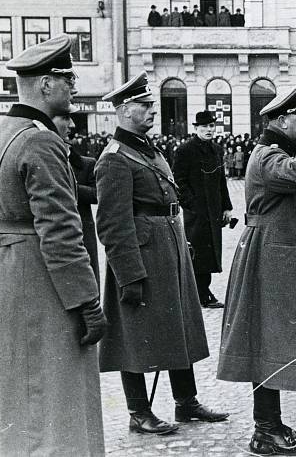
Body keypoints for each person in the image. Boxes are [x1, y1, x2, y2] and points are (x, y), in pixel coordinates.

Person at [96, 72, 228, 435]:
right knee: (134, 333)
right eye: (144, 105)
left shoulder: (147, 150)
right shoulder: (115, 158)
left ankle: (186, 402)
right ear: (124, 111)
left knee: (178, 325)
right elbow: (112, 223)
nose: (152, 110)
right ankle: (139, 411)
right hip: (142, 255)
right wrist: (129, 275)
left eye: (151, 103)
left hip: (168, 246)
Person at [0, 34, 106, 455]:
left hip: (6, 271)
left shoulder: (2, 132)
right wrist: (88, 304)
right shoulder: (41, 140)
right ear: (45, 85)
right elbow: (60, 232)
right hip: (40, 280)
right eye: (67, 78)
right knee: (55, 397)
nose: (74, 86)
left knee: (18, 394)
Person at [218, 83, 296, 455]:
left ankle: (269, 424)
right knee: (265, 344)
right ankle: (265, 430)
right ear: (283, 119)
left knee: (267, 343)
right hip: (267, 261)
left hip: (274, 259)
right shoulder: (267, 157)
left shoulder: (274, 152)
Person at [172, 110, 233, 308]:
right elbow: (178, 181)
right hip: (196, 214)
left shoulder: (216, 150)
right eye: (204, 127)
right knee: (197, 252)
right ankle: (200, 293)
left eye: (211, 126)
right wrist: (191, 205)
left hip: (213, 211)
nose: (209, 130)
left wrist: (226, 207)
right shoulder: (185, 150)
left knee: (210, 252)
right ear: (196, 128)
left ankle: (202, 291)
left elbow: (221, 181)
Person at [54, 106, 101, 284]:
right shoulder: (46, 162)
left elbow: (98, 194)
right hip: (58, 232)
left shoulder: (86, 164)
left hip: (83, 230)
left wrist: (69, 186)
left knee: (88, 281)